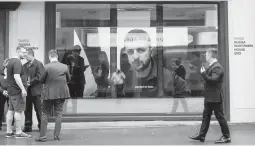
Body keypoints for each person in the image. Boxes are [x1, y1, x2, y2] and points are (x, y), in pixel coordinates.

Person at [189, 49, 231, 143]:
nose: (205, 57)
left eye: (206, 55)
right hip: (210, 97)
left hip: (215, 98)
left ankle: (226, 136)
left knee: (220, 117)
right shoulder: (212, 66)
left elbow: (213, 80)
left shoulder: (217, 67)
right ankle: (202, 135)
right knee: (206, 116)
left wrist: (203, 73)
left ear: (211, 55)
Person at [123, 29, 173, 97]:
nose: (135, 57)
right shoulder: (123, 77)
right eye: (130, 52)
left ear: (151, 51)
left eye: (141, 50)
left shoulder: (166, 76)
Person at [35, 50, 70, 142]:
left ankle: (43, 136)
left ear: (49, 57)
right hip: (61, 94)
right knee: (58, 113)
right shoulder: (65, 66)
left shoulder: (46, 67)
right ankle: (56, 136)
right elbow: (68, 79)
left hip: (48, 94)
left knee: (45, 113)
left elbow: (41, 79)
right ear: (57, 57)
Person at [5, 46, 31, 138]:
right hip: (17, 91)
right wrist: (23, 89)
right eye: (23, 52)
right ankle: (19, 132)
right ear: (18, 52)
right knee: (18, 111)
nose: (25, 54)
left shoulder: (11, 61)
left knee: (10, 110)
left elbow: (9, 76)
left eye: (25, 52)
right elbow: (16, 76)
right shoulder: (17, 62)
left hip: (11, 90)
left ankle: (9, 132)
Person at [23, 48, 44, 132]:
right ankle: (28, 126)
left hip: (36, 91)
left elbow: (40, 76)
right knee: (27, 110)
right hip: (27, 91)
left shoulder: (39, 64)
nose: (25, 58)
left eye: (26, 56)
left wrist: (30, 82)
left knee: (38, 109)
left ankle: (41, 126)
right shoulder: (24, 65)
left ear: (31, 55)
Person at [0, 59, 9, 130]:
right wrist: (3, 91)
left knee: (11, 109)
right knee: (0, 109)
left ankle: (10, 126)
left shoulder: (12, 73)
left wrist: (9, 91)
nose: (7, 65)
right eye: (6, 63)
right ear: (4, 64)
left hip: (10, 93)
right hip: (1, 93)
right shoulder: (0, 73)